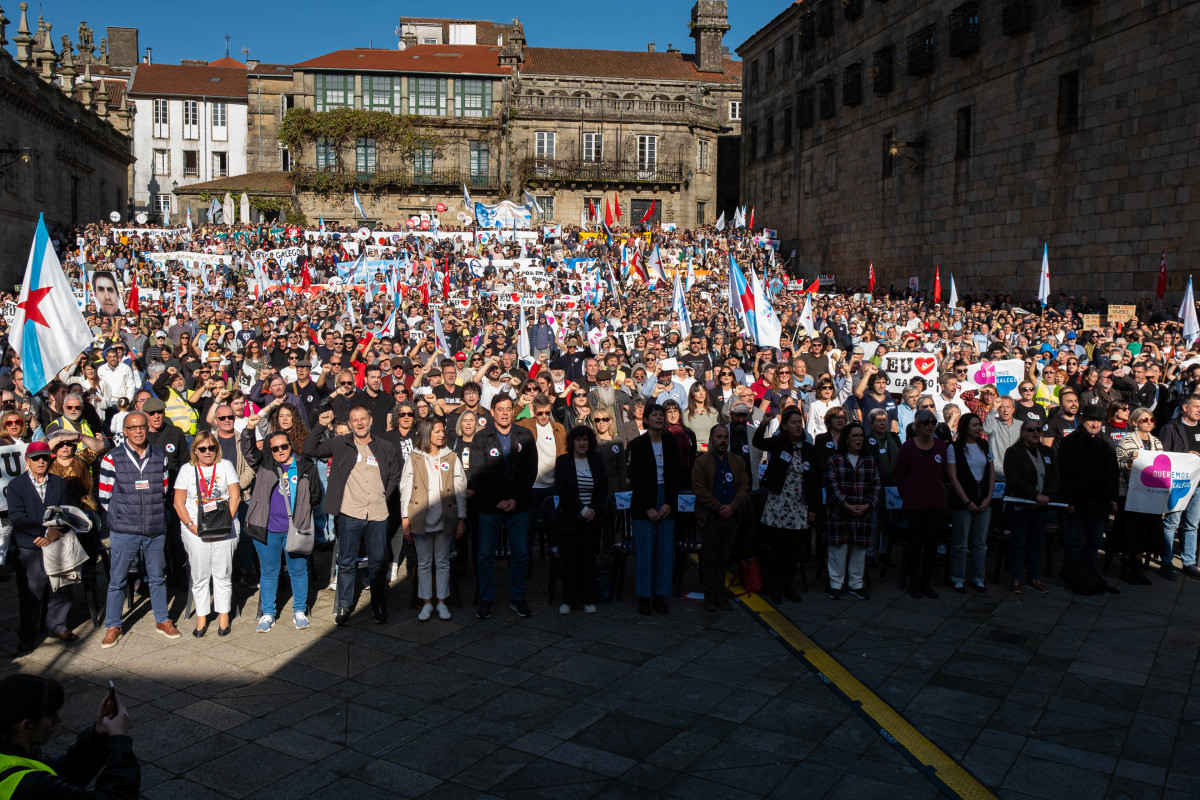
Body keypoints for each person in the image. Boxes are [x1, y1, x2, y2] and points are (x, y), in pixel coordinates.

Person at [305, 405, 402, 625]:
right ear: (349, 424)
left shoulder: (384, 446)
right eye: (355, 420)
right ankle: (345, 605)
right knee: (347, 561)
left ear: (370, 420)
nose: (359, 423)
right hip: (350, 512)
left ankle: (378, 605)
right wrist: (321, 425)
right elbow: (310, 449)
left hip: (377, 513)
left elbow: (394, 475)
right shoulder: (341, 444)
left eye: (363, 418)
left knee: (378, 563)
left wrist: (384, 496)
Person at [99, 411, 180, 648]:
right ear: (125, 431)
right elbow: (104, 496)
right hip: (124, 528)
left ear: (147, 428)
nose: (138, 431)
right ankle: (113, 625)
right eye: (132, 427)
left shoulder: (159, 455)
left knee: (157, 577)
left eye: (141, 426)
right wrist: (123, 516)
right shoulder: (112, 458)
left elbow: (163, 489)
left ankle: (162, 620)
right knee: (117, 579)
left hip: (154, 527)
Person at [0, 674, 139, 799]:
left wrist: (97, 735)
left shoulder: (13, 754)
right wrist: (120, 742)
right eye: (51, 714)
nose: (58, 719)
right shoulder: (29, 785)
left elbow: (64, 773)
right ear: (27, 725)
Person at [242, 428, 321, 631]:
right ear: (270, 450)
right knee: (269, 572)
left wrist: (301, 513)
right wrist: (249, 429)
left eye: (283, 446)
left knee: (299, 571)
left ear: (290, 445)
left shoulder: (306, 467)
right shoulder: (265, 464)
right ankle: (268, 613)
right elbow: (249, 450)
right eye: (275, 448)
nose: (280, 451)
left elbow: (315, 496)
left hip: (297, 529)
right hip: (267, 529)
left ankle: (299, 610)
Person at [469, 394, 537, 619]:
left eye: (508, 408)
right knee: (485, 555)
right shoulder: (481, 437)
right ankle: (486, 599)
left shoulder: (525, 435)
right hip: (489, 507)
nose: (505, 413)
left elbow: (531, 471)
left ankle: (517, 598)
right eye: (500, 409)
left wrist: (515, 498)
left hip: (519, 505)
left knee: (520, 554)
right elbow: (477, 473)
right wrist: (496, 500)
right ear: (492, 412)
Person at [6, 441, 77, 653]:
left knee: (61, 587)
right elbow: (17, 517)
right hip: (30, 546)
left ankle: (57, 626)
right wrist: (43, 533)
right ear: (27, 460)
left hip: (57, 542)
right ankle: (27, 635)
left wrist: (55, 532)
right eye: (35, 458)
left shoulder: (58, 483)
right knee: (31, 593)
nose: (40, 461)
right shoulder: (16, 485)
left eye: (44, 457)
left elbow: (68, 511)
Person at [172, 432, 242, 637]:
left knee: (222, 573)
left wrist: (223, 524)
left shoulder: (225, 465)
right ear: (195, 450)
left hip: (225, 528)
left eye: (211, 447)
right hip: (195, 530)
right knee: (200, 575)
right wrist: (191, 526)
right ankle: (202, 616)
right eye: (202, 448)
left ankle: (223, 616)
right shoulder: (187, 470)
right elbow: (178, 502)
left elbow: (235, 497)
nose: (207, 452)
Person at [400, 418, 467, 621]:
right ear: (427, 433)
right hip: (420, 518)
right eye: (437, 431)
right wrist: (405, 518)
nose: (442, 434)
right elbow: (405, 489)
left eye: (442, 431)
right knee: (424, 563)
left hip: (445, 517)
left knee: (443, 562)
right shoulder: (414, 457)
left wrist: (461, 518)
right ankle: (427, 602)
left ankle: (442, 602)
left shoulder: (451, 457)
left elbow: (460, 489)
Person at [753, 406, 817, 604]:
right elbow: (757, 442)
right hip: (779, 503)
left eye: (800, 422)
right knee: (778, 547)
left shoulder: (808, 449)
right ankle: (775, 586)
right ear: (785, 426)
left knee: (793, 548)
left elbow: (814, 480)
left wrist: (813, 508)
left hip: (799, 504)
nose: (798, 426)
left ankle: (789, 585)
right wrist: (763, 425)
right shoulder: (778, 443)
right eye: (793, 423)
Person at [892, 408, 952, 599]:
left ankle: (926, 581)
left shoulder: (940, 446)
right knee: (915, 543)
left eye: (933, 422)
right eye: (926, 423)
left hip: (935, 501)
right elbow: (899, 474)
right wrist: (908, 494)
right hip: (914, 503)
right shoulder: (908, 447)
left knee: (932, 543)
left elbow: (942, 472)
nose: (930, 426)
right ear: (917, 426)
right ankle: (914, 582)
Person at [628, 404, 682, 614]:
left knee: (665, 552)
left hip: (666, 498)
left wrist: (669, 502)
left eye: (661, 415)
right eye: (654, 415)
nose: (659, 418)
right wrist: (648, 507)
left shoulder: (670, 441)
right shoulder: (638, 444)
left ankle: (660, 595)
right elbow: (636, 478)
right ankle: (644, 596)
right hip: (645, 501)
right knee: (645, 553)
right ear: (646, 419)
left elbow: (676, 475)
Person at [691, 424, 750, 611]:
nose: (723, 440)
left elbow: (744, 487)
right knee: (710, 559)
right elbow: (700, 490)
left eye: (725, 437)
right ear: (711, 439)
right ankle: (709, 595)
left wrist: (732, 506)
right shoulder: (701, 462)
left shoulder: (737, 461)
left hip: (731, 516)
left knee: (724, 558)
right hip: (710, 517)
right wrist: (718, 507)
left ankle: (720, 593)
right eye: (719, 437)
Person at [1058, 404, 1120, 577]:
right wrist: (1069, 500)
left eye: (1098, 421)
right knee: (1074, 540)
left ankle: (1089, 573)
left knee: (1094, 540)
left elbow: (1113, 472)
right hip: (1077, 500)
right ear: (1083, 420)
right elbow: (1063, 473)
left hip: (1100, 501)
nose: (1095, 424)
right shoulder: (1070, 442)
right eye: (1091, 420)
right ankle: (1072, 573)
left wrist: (1113, 498)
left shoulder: (1106, 442)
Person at [553, 425, 608, 614]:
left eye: (585, 439)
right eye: (578, 439)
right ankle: (568, 600)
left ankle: (587, 599)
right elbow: (562, 490)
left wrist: (591, 509)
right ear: (572, 442)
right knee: (570, 561)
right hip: (570, 519)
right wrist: (581, 509)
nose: (582, 443)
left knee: (588, 561)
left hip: (591, 520)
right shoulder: (563, 461)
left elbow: (603, 488)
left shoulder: (596, 460)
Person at [824, 422, 881, 600]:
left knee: (859, 550)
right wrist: (845, 504)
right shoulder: (835, 459)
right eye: (855, 436)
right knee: (838, 549)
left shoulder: (869, 461)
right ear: (846, 439)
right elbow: (831, 485)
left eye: (861, 436)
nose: (859, 439)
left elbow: (876, 486)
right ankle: (835, 584)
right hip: (840, 512)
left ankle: (856, 584)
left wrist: (868, 504)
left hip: (862, 512)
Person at [1003, 419, 1059, 594]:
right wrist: (1035, 495)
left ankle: (1033, 577)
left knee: (1037, 542)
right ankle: (1016, 579)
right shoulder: (1013, 452)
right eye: (1031, 429)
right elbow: (1014, 479)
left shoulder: (1047, 452)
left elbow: (1055, 477)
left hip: (1042, 506)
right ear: (1023, 432)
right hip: (1021, 505)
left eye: (1038, 429)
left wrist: (1047, 495)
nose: (1035, 432)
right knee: (1018, 542)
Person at [946, 413, 996, 593]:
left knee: (980, 542)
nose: (978, 428)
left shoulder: (985, 445)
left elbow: (991, 473)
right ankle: (958, 578)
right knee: (960, 543)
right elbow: (953, 477)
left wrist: (989, 497)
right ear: (965, 427)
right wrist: (966, 501)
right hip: (963, 501)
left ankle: (978, 578)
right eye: (974, 425)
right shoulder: (954, 447)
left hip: (983, 499)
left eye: (979, 424)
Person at [1156, 393, 1200, 579]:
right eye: (1196, 406)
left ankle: (1189, 562)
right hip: (1179, 483)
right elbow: (1162, 457)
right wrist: (1185, 456)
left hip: (1198, 484)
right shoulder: (1171, 428)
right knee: (1172, 523)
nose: (1199, 410)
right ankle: (1166, 561)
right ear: (1185, 407)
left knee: (1192, 524)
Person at [1115, 407, 1161, 585]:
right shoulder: (1126, 441)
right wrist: (1129, 462)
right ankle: (1126, 565)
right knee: (1130, 529)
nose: (1149, 423)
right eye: (1144, 419)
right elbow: (1118, 463)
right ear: (1134, 422)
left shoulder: (1157, 442)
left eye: (1151, 419)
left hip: (1149, 494)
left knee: (1144, 530)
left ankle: (1138, 564)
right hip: (1130, 493)